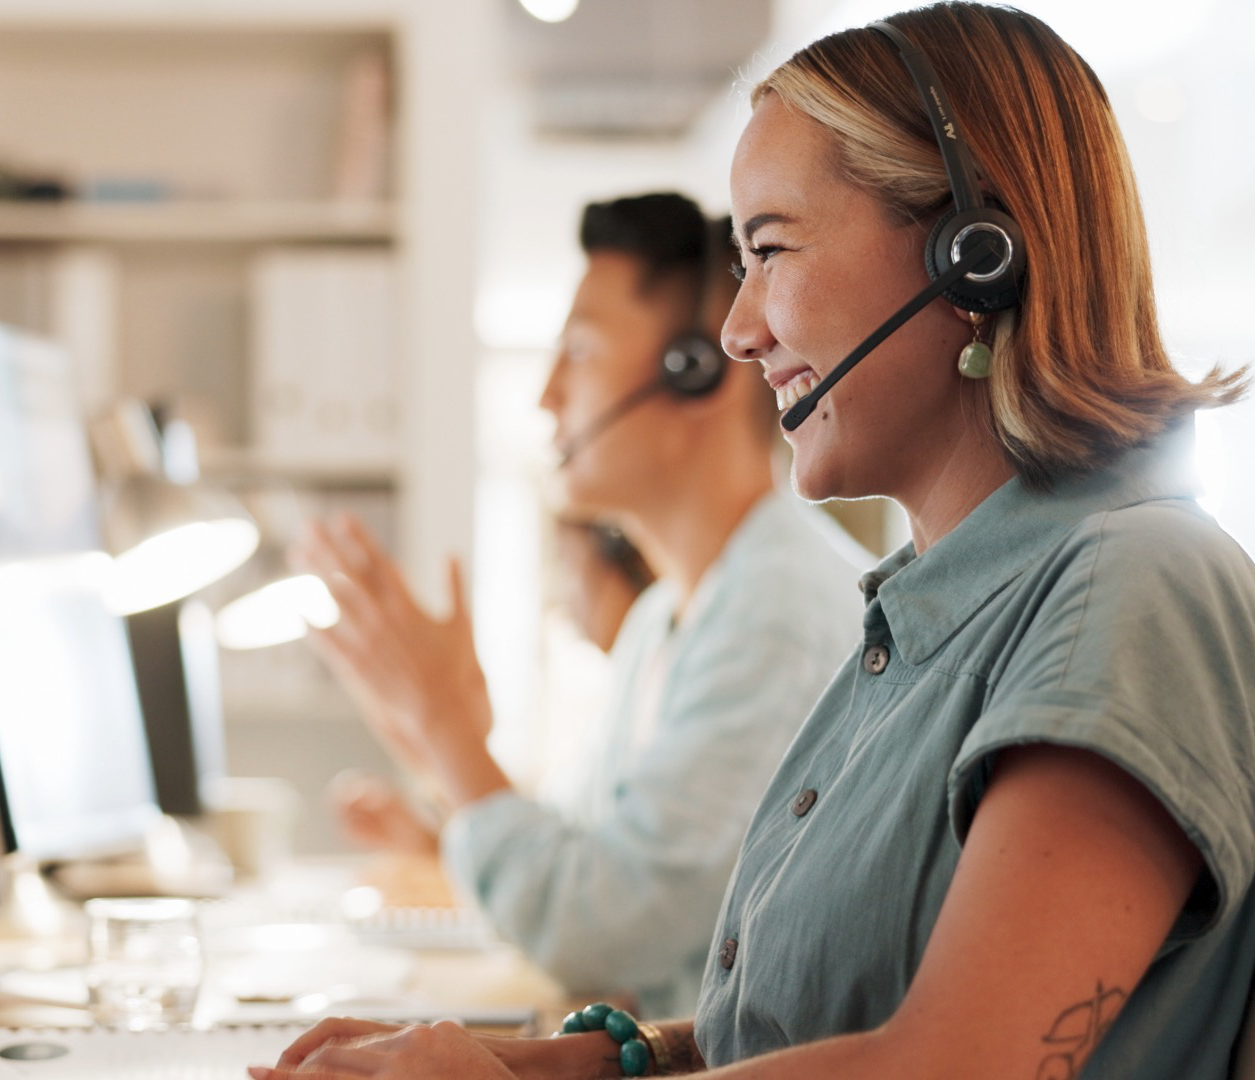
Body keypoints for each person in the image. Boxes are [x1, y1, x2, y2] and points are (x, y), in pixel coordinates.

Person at [256, 4, 1255, 1079]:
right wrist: (573, 1063)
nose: (740, 330)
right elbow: (814, 1029)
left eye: (771, 249)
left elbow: (952, 1067)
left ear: (974, 258)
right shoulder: (927, 620)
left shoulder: (1138, 588)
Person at [293, 192, 870, 1017]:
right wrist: (439, 766)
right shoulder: (667, 615)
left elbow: (596, 925)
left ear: (695, 370)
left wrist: (449, 736)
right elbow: (589, 856)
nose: (546, 395)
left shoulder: (774, 615)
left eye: (580, 352)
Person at [326, 516, 654, 855]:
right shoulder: (621, 704)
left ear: (623, 567)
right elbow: (549, 862)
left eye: (569, 569)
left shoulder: (655, 702)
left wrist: (443, 722)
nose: (562, 600)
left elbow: (558, 882)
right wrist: (429, 841)